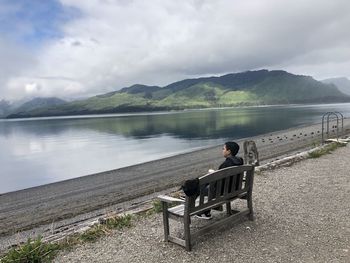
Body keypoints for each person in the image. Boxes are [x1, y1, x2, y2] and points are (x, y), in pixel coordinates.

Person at [195, 141, 243, 220]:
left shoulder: (226, 164)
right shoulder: (240, 161)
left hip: (223, 193)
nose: (222, 150)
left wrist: (212, 174)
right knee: (206, 183)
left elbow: (217, 181)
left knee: (201, 186)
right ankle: (210, 209)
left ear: (229, 151)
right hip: (235, 190)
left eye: (223, 148)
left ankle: (204, 211)